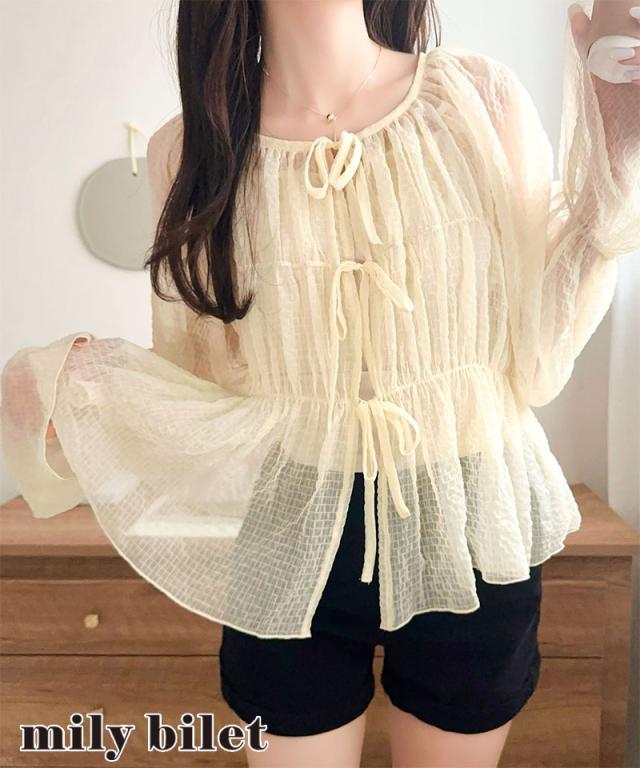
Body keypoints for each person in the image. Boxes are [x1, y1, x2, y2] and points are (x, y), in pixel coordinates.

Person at [1, 1, 639, 766]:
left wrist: (619, 151)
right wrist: (84, 388)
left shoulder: (478, 98)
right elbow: (203, 390)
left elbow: (537, 355)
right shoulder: (190, 150)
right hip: (292, 534)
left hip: (470, 521)